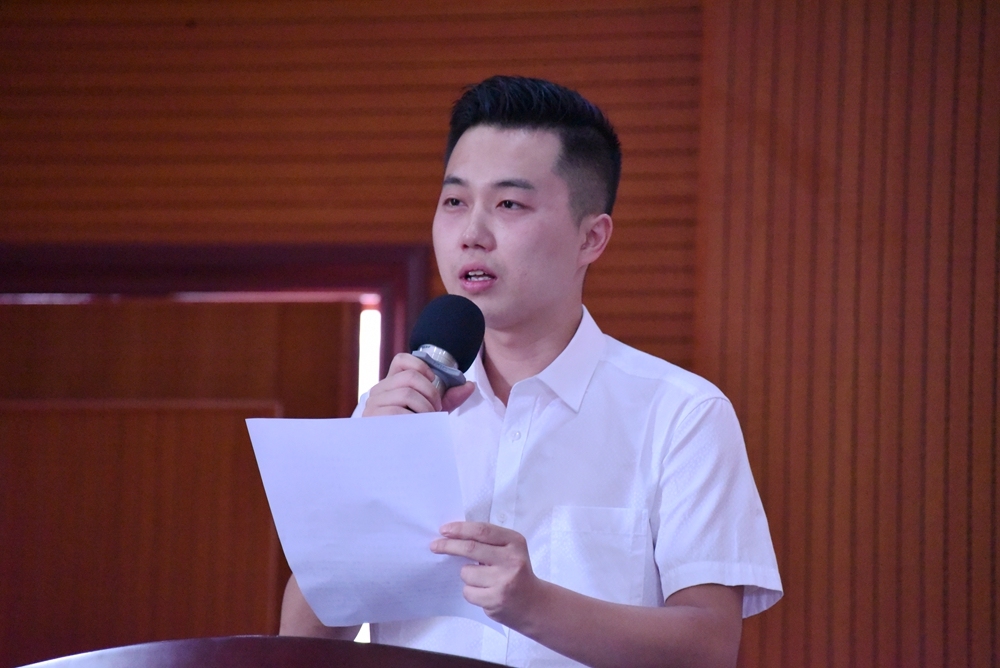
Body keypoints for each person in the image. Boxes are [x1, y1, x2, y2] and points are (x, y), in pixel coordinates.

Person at [279, 75, 782, 668]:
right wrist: (367, 472)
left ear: (591, 238)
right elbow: (302, 644)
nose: (472, 234)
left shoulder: (680, 413)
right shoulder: (393, 411)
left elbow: (709, 646)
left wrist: (534, 604)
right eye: (455, 202)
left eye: (509, 205)